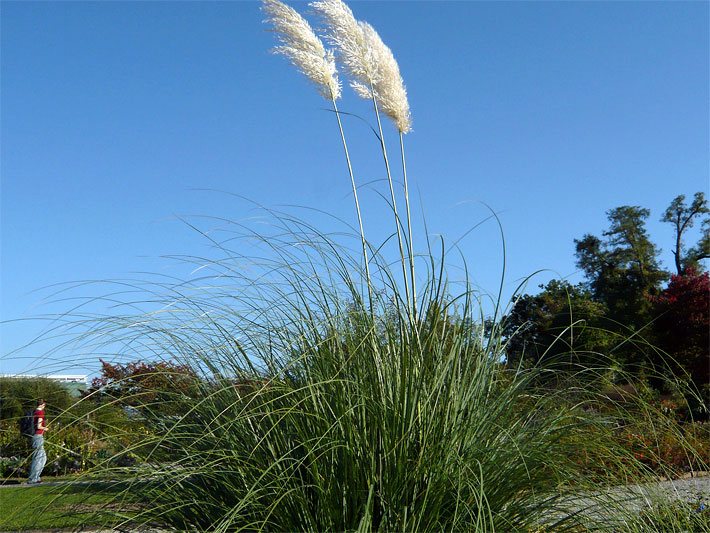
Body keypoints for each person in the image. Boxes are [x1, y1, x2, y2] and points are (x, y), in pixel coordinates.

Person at [27, 399, 47, 484]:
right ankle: (33, 478)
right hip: (38, 436)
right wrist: (45, 428)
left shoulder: (35, 412)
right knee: (39, 457)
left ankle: (36, 476)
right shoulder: (40, 413)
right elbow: (39, 426)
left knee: (41, 457)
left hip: (35, 436)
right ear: (43, 404)